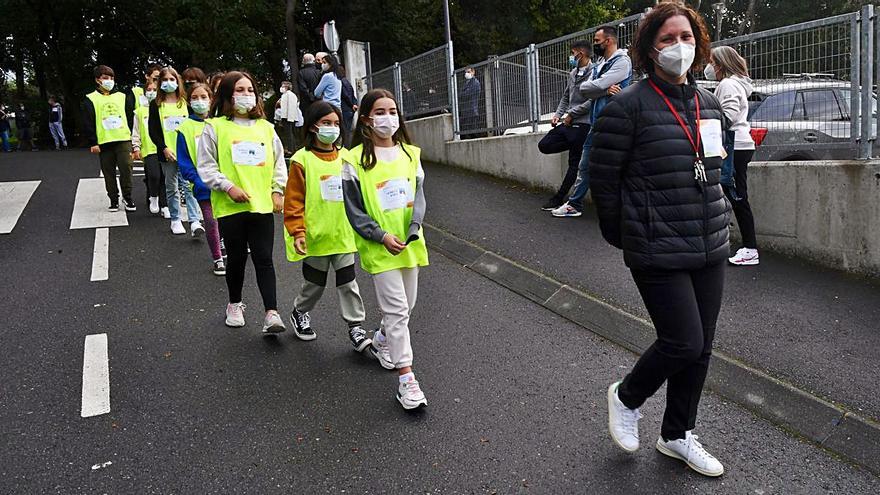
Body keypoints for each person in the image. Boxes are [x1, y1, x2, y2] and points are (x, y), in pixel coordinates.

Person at [589, 2, 730, 477]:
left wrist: (722, 216)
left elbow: (713, 169)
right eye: (667, 39)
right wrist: (625, 234)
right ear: (650, 50)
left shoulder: (708, 103)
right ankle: (626, 396)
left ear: (699, 42)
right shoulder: (628, 105)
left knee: (702, 345)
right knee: (683, 341)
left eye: (686, 37)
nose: (679, 47)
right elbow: (602, 179)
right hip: (656, 245)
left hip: (709, 241)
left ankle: (677, 435)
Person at [342, 89, 429, 410]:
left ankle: (380, 341)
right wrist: (379, 235)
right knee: (396, 312)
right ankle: (407, 381)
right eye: (380, 111)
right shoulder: (352, 160)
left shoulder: (411, 154)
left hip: (410, 243)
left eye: (392, 111)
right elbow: (354, 210)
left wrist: (414, 227)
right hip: (379, 248)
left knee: (406, 309)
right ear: (366, 118)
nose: (388, 118)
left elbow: (419, 197)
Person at [197, 70, 287, 334]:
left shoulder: (266, 128)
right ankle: (234, 304)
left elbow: (278, 163)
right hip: (230, 207)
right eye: (239, 90)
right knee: (236, 259)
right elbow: (207, 166)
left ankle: (271, 312)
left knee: (264, 259)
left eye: (250, 90)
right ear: (226, 95)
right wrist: (228, 187)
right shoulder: (215, 128)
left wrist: (277, 190)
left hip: (261, 206)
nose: (246, 95)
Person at [283, 101, 369, 350]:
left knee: (348, 283)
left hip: (343, 235)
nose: (332, 128)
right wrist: (297, 231)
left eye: (335, 124)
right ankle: (300, 311)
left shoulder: (348, 158)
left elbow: (359, 195)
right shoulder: (301, 160)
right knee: (314, 284)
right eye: (326, 123)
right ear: (312, 127)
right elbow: (294, 200)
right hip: (315, 236)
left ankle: (356, 327)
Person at [551, 25, 633, 218]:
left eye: (597, 41)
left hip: (614, 124)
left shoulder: (622, 62)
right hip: (597, 123)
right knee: (585, 165)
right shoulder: (601, 63)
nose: (595, 44)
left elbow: (592, 87)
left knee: (615, 167)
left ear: (609, 40)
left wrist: (598, 88)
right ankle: (574, 204)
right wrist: (603, 90)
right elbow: (587, 89)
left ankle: (625, 209)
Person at [705, 46, 759, 266]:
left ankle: (750, 249)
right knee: (729, 193)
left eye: (712, 62)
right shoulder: (733, 84)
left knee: (737, 196)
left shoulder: (728, 85)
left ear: (720, 64)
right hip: (737, 144)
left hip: (734, 145)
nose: (709, 67)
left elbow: (728, 116)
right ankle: (742, 244)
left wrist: (706, 119)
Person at [538, 40, 594, 211]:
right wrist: (557, 115)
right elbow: (565, 97)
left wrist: (572, 114)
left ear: (581, 54)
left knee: (573, 164)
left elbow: (593, 100)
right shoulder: (572, 73)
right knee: (544, 145)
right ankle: (576, 145)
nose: (571, 56)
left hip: (583, 124)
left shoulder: (595, 72)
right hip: (568, 124)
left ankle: (559, 198)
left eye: (573, 53)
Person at [177, 83, 226, 276]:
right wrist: (198, 180)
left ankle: (224, 244)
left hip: (223, 183)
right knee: (210, 220)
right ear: (189, 102)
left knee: (224, 220)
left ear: (211, 99)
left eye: (203, 97)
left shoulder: (219, 124)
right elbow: (185, 161)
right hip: (202, 185)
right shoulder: (184, 128)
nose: (200, 101)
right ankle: (217, 258)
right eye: (195, 98)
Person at [149, 66, 203, 236]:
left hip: (185, 152)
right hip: (167, 153)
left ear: (178, 81)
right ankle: (175, 219)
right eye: (164, 80)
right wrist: (163, 148)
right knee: (171, 186)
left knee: (188, 185)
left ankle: (194, 220)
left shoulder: (185, 103)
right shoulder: (156, 105)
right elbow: (153, 130)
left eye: (172, 79)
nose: (168, 83)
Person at [84, 65, 136, 212]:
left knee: (126, 167)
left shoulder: (122, 96)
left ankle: (127, 196)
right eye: (105, 78)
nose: (109, 80)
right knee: (109, 172)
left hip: (123, 139)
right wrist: (93, 142)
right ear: (97, 80)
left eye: (111, 78)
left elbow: (130, 117)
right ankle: (113, 199)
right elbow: (88, 121)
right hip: (104, 141)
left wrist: (132, 135)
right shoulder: (90, 99)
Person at [131, 80, 167, 215]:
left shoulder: (163, 107)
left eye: (155, 89)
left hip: (165, 148)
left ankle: (165, 205)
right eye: (149, 90)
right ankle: (153, 197)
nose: (152, 92)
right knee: (154, 175)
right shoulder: (139, 111)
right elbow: (136, 131)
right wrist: (136, 146)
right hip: (149, 149)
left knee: (165, 177)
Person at [278, 80, 303, 156]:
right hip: (286, 117)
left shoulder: (290, 95)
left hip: (289, 117)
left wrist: (289, 118)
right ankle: (292, 148)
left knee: (289, 133)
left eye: (283, 86)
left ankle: (291, 149)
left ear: (287, 87)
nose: (281, 88)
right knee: (288, 133)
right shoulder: (285, 95)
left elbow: (291, 107)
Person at [339, 65, 358, 147]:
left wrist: (351, 104)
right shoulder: (347, 81)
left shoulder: (341, 82)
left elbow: (345, 95)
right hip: (350, 109)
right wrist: (354, 104)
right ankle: (348, 145)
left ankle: (346, 146)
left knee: (345, 130)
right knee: (348, 130)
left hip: (346, 108)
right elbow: (352, 95)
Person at [460, 67, 481, 134]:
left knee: (472, 133)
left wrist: (462, 94)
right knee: (465, 132)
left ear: (473, 72)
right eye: (466, 72)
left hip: (472, 111)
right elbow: (461, 94)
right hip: (465, 111)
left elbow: (466, 94)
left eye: (468, 72)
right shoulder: (466, 83)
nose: (466, 74)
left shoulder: (475, 83)